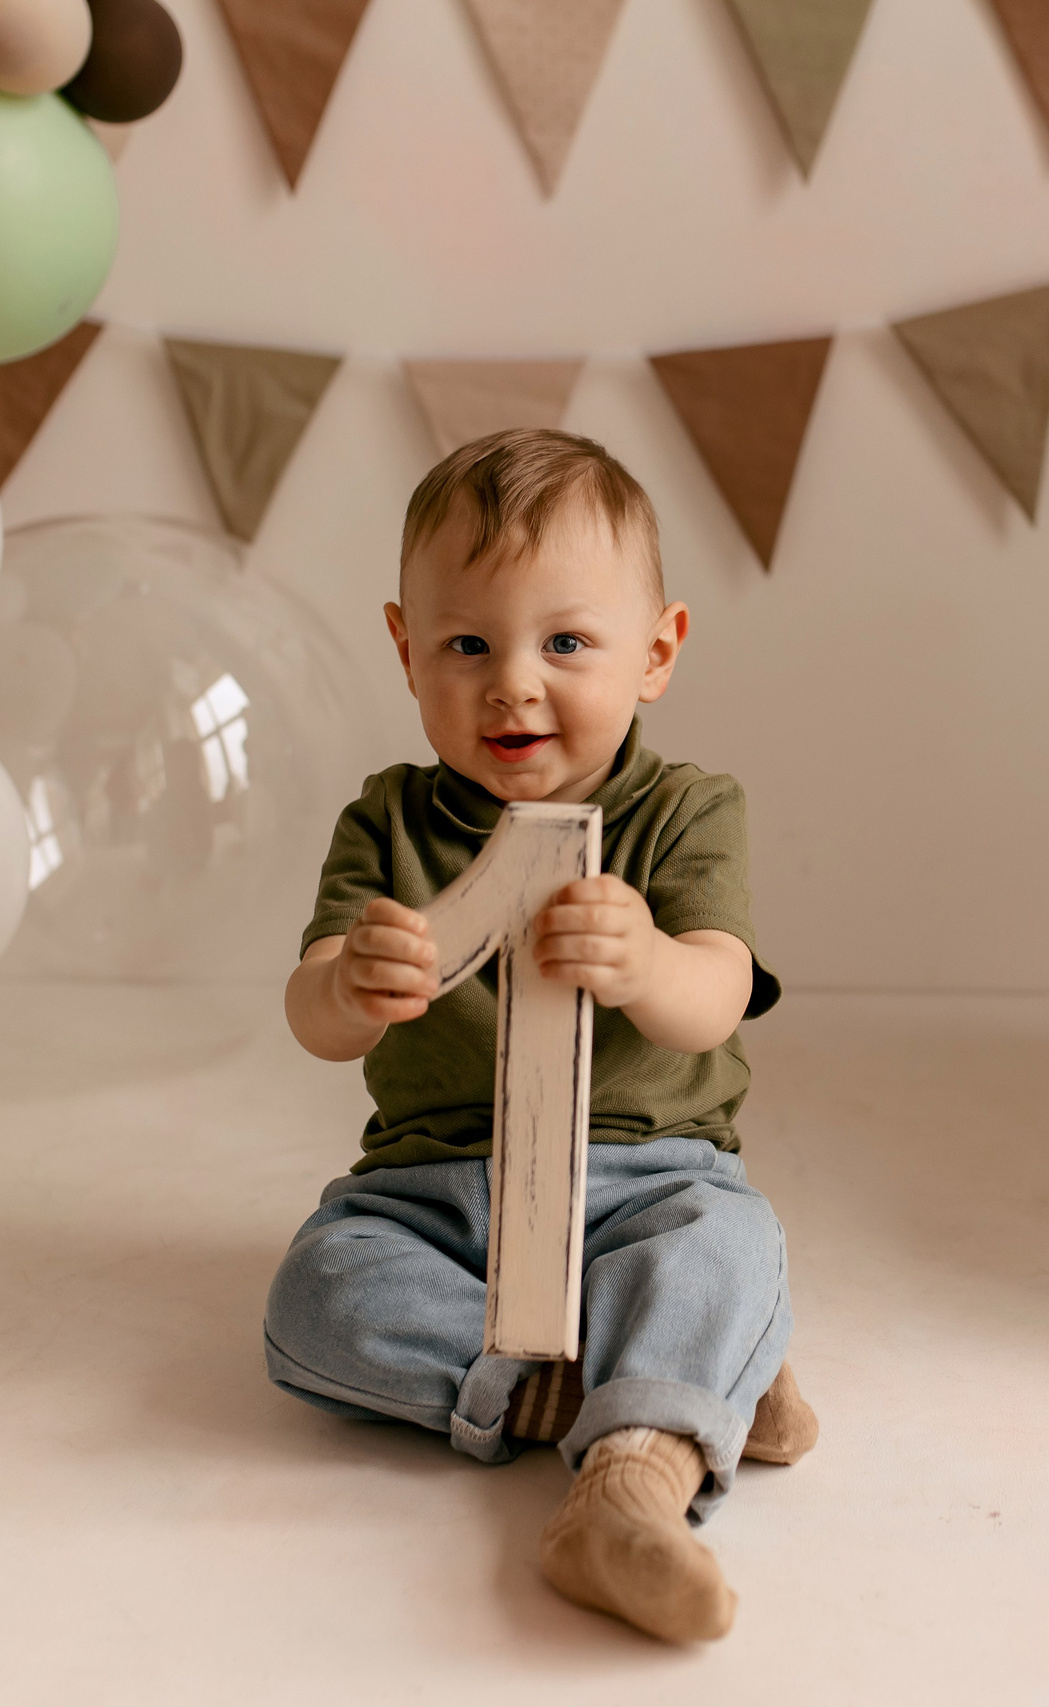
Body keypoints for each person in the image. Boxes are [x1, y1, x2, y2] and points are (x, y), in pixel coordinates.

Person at [268, 427, 817, 1643]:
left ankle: (626, 1491)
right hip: (434, 1195)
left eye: (566, 643)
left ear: (657, 651)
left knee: (725, 1243)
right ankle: (616, 1387)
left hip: (646, 1179)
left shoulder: (685, 811)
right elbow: (310, 1014)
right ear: (407, 652)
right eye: (467, 644)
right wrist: (350, 982)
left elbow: (718, 994)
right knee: (315, 1301)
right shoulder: (390, 819)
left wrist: (649, 962)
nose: (513, 682)